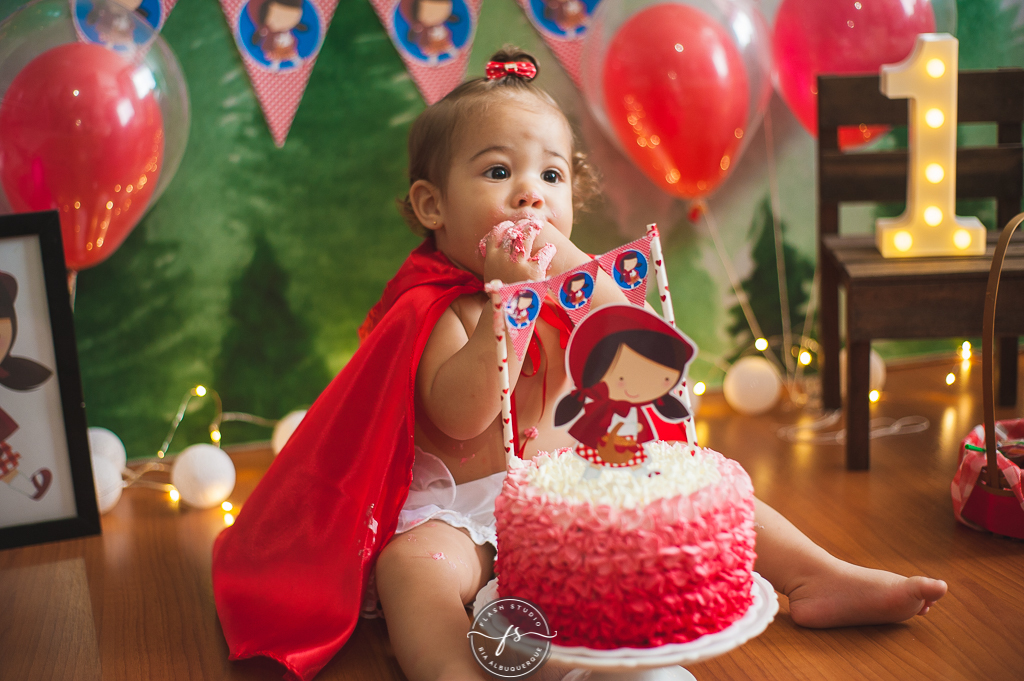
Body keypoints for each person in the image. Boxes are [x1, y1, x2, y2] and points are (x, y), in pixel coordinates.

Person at [212, 49, 947, 681]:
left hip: (564, 496)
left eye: (552, 177)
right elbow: (463, 413)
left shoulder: (576, 284)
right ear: (433, 205)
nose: (531, 192)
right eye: (499, 171)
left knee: (705, 488)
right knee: (413, 569)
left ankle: (814, 574)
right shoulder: (439, 309)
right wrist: (507, 302)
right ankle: (450, 667)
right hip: (462, 510)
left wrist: (562, 268)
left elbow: (629, 343)